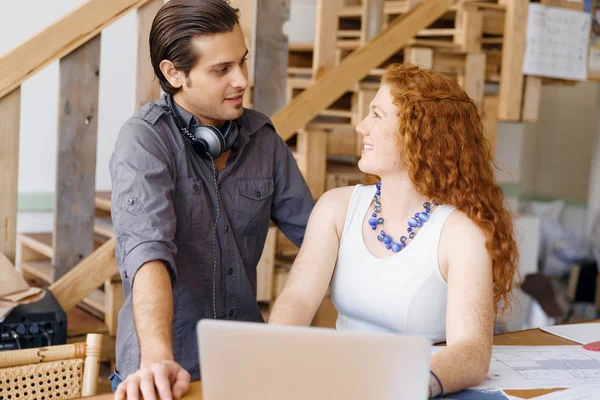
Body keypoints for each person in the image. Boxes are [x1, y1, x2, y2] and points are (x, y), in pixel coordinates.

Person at [268, 64, 519, 398]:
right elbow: (297, 299)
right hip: (338, 382)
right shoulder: (336, 208)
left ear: (419, 134)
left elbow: (472, 351)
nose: (361, 127)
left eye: (376, 115)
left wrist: (409, 384)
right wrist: (269, 358)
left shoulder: (461, 236)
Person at [109, 0, 314, 398]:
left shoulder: (264, 140)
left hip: (244, 368)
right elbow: (148, 254)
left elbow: (318, 233)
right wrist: (156, 357)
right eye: (221, 70)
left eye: (243, 62)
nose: (241, 80)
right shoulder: (144, 141)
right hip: (165, 373)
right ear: (174, 74)